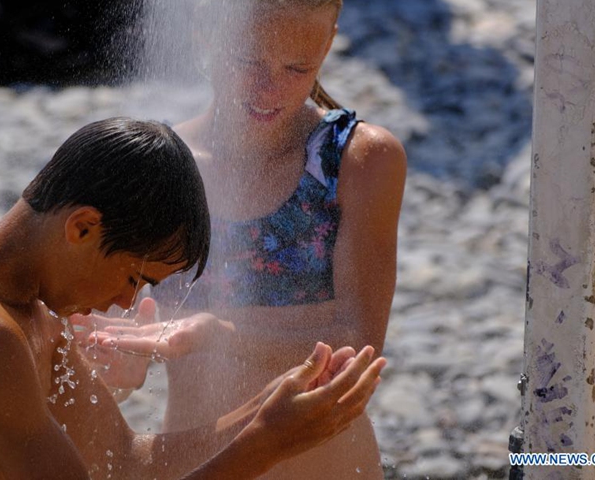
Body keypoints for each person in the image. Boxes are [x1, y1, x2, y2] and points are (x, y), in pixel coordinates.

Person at [0, 117, 387, 479]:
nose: (122, 303)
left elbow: (128, 462)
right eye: (134, 278)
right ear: (83, 227)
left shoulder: (32, 308)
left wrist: (266, 411)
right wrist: (267, 445)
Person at [87, 1, 407, 478]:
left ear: (329, 39)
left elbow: (358, 343)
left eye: (298, 67)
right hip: (195, 465)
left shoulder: (357, 162)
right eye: (248, 61)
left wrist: (218, 333)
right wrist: (118, 372)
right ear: (203, 31)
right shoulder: (161, 170)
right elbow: (111, 334)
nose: (269, 89)